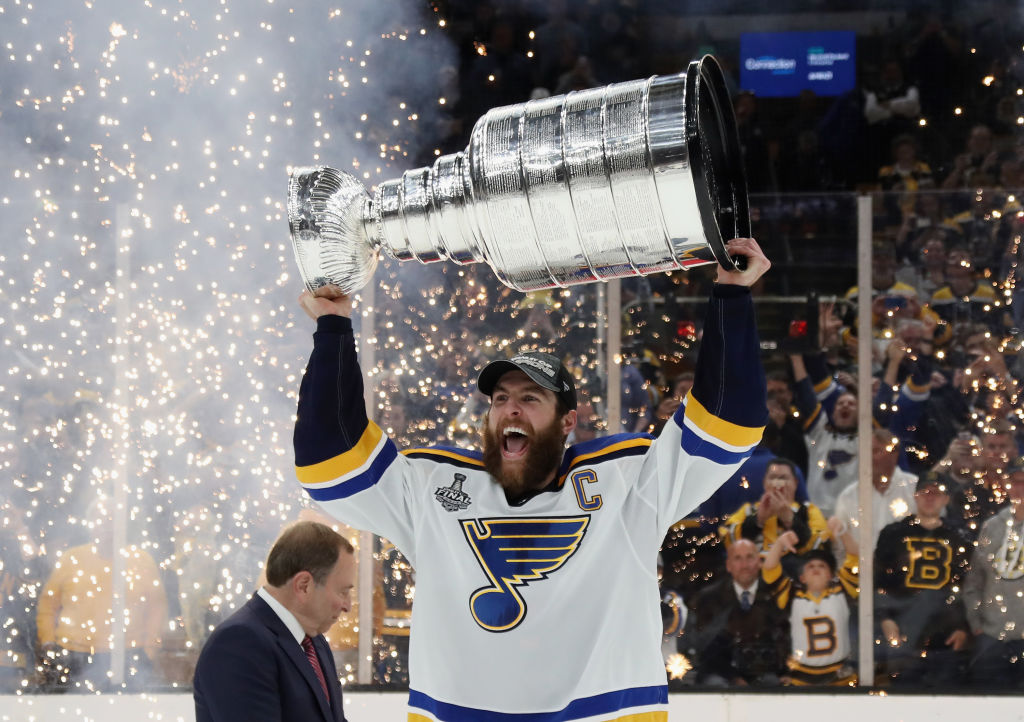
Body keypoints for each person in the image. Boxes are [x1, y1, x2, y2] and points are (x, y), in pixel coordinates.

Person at [293, 238, 771, 718]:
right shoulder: (435, 489)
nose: (510, 409)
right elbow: (330, 464)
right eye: (500, 399)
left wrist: (731, 295)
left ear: (568, 422)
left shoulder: (626, 483)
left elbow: (728, 425)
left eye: (530, 398)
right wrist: (333, 328)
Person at [193, 520, 356, 722]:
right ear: (304, 585)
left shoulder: (314, 641)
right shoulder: (239, 644)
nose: (347, 606)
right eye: (343, 592)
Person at [36, 500, 167, 693]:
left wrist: (149, 649)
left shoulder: (141, 560)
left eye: (112, 519)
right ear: (90, 524)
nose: (105, 525)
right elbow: (47, 604)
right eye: (99, 519)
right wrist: (49, 644)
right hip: (72, 654)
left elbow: (157, 607)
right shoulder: (71, 558)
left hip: (129, 654)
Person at [873, 470, 972, 687]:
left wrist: (963, 628)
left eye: (936, 493)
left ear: (946, 499)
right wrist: (885, 619)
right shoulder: (893, 534)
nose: (930, 497)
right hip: (903, 634)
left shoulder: (959, 537)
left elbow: (968, 587)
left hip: (946, 637)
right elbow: (878, 581)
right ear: (915, 496)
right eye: (925, 492)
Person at [761, 518, 860, 686]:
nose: (815, 568)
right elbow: (770, 572)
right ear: (802, 577)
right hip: (801, 678)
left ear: (831, 575)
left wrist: (843, 532)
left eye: (822, 566)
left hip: (841, 677)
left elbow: (856, 558)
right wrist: (779, 544)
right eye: (810, 566)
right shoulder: (792, 595)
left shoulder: (842, 590)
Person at [684, 538, 789, 687]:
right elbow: (704, 645)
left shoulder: (774, 595)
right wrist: (734, 677)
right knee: (716, 686)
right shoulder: (709, 598)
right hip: (720, 672)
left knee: (772, 684)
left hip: (764, 670)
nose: (744, 565)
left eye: (749, 557)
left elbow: (784, 638)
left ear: (759, 562)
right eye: (738, 558)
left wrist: (785, 672)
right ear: (728, 565)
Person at [963, 457, 1024, 690]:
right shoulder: (992, 526)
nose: (1020, 488)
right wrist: (976, 622)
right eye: (1015, 482)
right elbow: (974, 580)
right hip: (991, 637)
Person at [719, 458, 828, 567]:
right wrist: (758, 520)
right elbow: (728, 540)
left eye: (783, 478)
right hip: (753, 573)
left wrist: (790, 520)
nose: (778, 484)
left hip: (794, 576)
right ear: (764, 482)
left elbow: (819, 546)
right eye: (772, 478)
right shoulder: (749, 510)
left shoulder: (809, 510)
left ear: (795, 483)